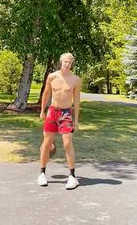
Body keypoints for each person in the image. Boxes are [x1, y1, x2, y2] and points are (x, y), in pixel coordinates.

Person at [37, 53, 81, 190]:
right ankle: (42, 173)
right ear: (61, 62)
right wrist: (42, 110)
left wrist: (77, 120)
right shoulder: (52, 76)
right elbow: (46, 93)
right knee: (47, 142)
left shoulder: (75, 79)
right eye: (65, 62)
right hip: (52, 112)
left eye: (70, 62)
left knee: (67, 143)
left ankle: (73, 176)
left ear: (72, 64)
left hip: (66, 113)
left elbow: (77, 100)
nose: (67, 64)